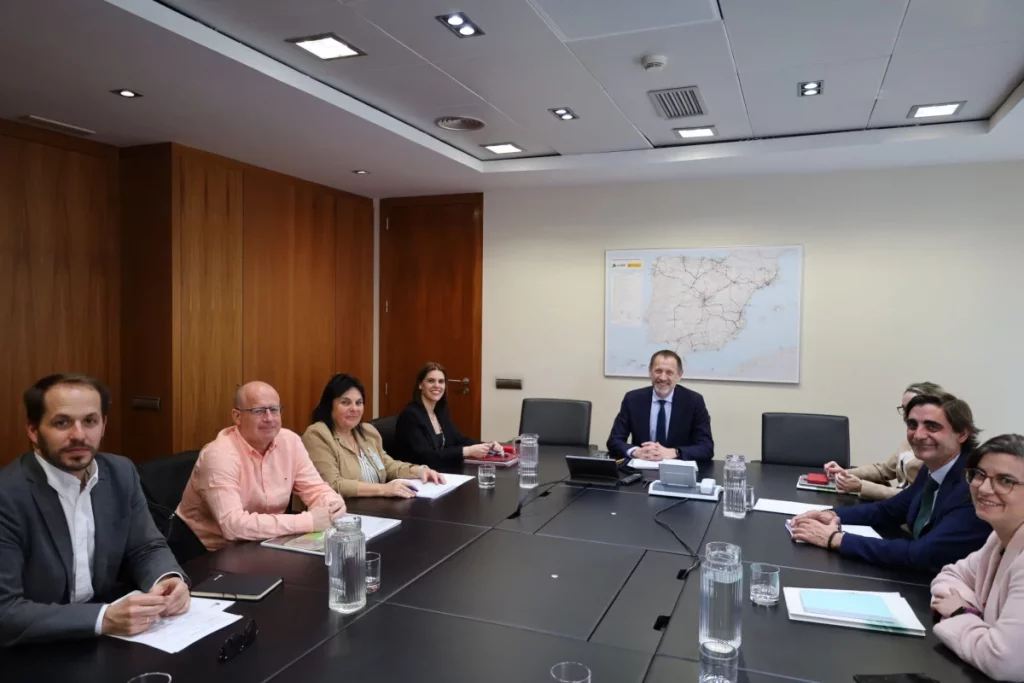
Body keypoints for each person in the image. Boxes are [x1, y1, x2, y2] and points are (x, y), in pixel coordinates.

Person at [0, 374, 189, 647]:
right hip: (31, 648)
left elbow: (145, 547)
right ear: (33, 429)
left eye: (90, 421)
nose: (79, 435)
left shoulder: (121, 472)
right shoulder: (8, 496)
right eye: (62, 422)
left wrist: (168, 578)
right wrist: (103, 618)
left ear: (103, 425)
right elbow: (5, 610)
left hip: (108, 638)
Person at [790, 393, 991, 574]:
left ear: (962, 434)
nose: (918, 435)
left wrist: (835, 539)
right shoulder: (933, 469)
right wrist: (830, 514)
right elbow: (887, 511)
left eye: (932, 426)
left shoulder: (975, 486)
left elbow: (923, 553)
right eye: (913, 425)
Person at [175, 381, 346, 552]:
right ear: (237, 417)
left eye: (274, 409)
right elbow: (233, 525)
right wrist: (309, 521)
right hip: (206, 553)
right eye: (258, 411)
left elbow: (316, 489)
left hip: (264, 542)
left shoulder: (290, 442)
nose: (269, 418)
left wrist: (332, 505)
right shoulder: (219, 455)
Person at [929, 433, 1024, 682]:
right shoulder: (999, 537)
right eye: (980, 474)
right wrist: (976, 616)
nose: (983, 488)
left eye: (1005, 481)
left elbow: (1004, 663)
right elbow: (951, 574)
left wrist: (961, 613)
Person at [303, 374, 445, 498]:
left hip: (374, 510)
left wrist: (419, 471)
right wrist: (384, 489)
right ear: (330, 406)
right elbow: (333, 484)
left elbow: (387, 465)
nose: (354, 409)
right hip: (341, 516)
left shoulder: (367, 432)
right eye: (345, 402)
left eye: (359, 403)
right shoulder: (317, 434)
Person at [824, 381, 944, 500]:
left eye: (912, 408)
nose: (907, 415)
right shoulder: (909, 440)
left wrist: (862, 487)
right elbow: (885, 470)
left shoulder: (935, 448)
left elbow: (915, 496)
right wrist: (845, 473)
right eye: (904, 409)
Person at [606, 349, 713, 461]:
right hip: (640, 468)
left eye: (669, 372)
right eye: (658, 371)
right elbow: (614, 441)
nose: (662, 378)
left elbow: (706, 448)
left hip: (677, 470)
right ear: (650, 372)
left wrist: (674, 452)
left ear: (679, 375)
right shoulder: (633, 399)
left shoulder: (694, 401)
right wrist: (636, 451)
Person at [395, 362, 502, 471]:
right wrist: (467, 451)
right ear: (420, 385)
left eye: (441, 381)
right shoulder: (410, 415)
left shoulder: (440, 411)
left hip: (440, 472)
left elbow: (459, 439)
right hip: (416, 477)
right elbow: (427, 457)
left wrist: (487, 446)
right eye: (431, 381)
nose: (437, 385)